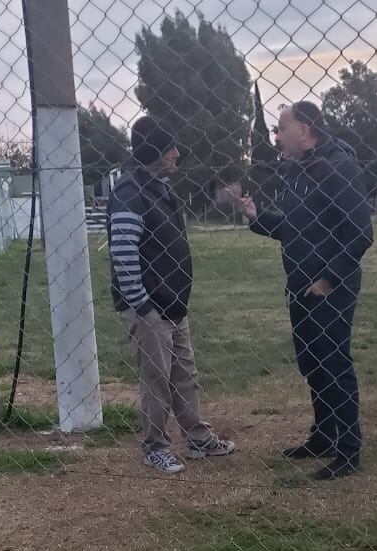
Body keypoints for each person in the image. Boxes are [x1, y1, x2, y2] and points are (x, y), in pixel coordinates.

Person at [240, 102, 373, 480]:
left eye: (282, 128)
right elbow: (293, 229)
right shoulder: (296, 173)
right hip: (299, 288)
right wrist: (256, 217)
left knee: (333, 365)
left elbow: (360, 232)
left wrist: (328, 279)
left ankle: (348, 450)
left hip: (331, 289)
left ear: (306, 128)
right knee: (312, 365)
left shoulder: (338, 166)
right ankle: (324, 436)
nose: (276, 136)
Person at [107, 116, 235, 474]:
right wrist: (144, 307)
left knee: (184, 375)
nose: (177, 154)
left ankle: (197, 437)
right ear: (154, 153)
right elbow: (123, 254)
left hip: (173, 305)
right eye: (169, 149)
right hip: (149, 308)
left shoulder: (158, 187)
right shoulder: (131, 192)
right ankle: (155, 447)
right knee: (156, 379)